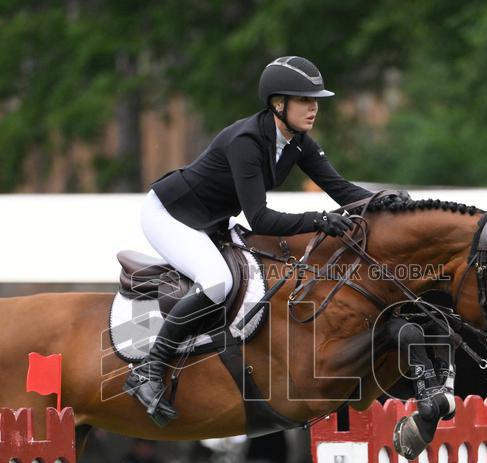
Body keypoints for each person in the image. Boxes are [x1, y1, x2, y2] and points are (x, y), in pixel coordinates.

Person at [124, 56, 374, 426]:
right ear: (278, 104)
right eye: (305, 100)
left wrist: (384, 202)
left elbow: (342, 190)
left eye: (315, 100)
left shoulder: (297, 142)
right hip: (170, 214)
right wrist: (319, 220)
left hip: (210, 221)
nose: (314, 108)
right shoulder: (246, 141)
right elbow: (258, 218)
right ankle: (147, 369)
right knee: (218, 282)